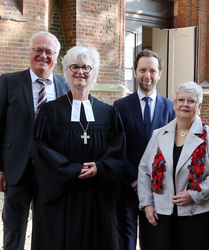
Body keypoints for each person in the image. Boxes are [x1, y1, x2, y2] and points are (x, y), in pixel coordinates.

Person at [31, 46, 126, 250]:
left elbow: (118, 150)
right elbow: (41, 150)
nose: (80, 72)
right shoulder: (49, 112)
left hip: (97, 195)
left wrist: (100, 167)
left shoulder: (108, 114)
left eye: (86, 67)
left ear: (94, 73)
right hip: (62, 196)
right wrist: (72, 170)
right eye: (74, 67)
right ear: (66, 71)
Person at [138, 81, 209, 250]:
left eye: (191, 101)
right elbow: (144, 170)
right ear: (174, 104)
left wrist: (194, 194)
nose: (185, 104)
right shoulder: (159, 134)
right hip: (161, 213)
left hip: (196, 213)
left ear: (199, 105)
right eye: (180, 100)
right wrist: (147, 204)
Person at [0, 31, 69, 250]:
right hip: (16, 169)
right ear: (29, 53)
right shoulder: (8, 81)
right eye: (38, 50)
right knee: (13, 229)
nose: (43, 56)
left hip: (50, 172)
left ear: (56, 57)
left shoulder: (64, 87)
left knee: (48, 229)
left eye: (49, 51)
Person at [113, 49, 175, 250]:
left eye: (152, 70)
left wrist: (154, 181)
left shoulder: (170, 108)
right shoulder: (120, 106)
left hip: (158, 188)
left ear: (159, 73)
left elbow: (173, 148)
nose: (147, 75)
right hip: (128, 186)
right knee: (127, 241)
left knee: (153, 241)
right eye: (142, 70)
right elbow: (117, 148)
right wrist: (136, 182)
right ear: (135, 72)